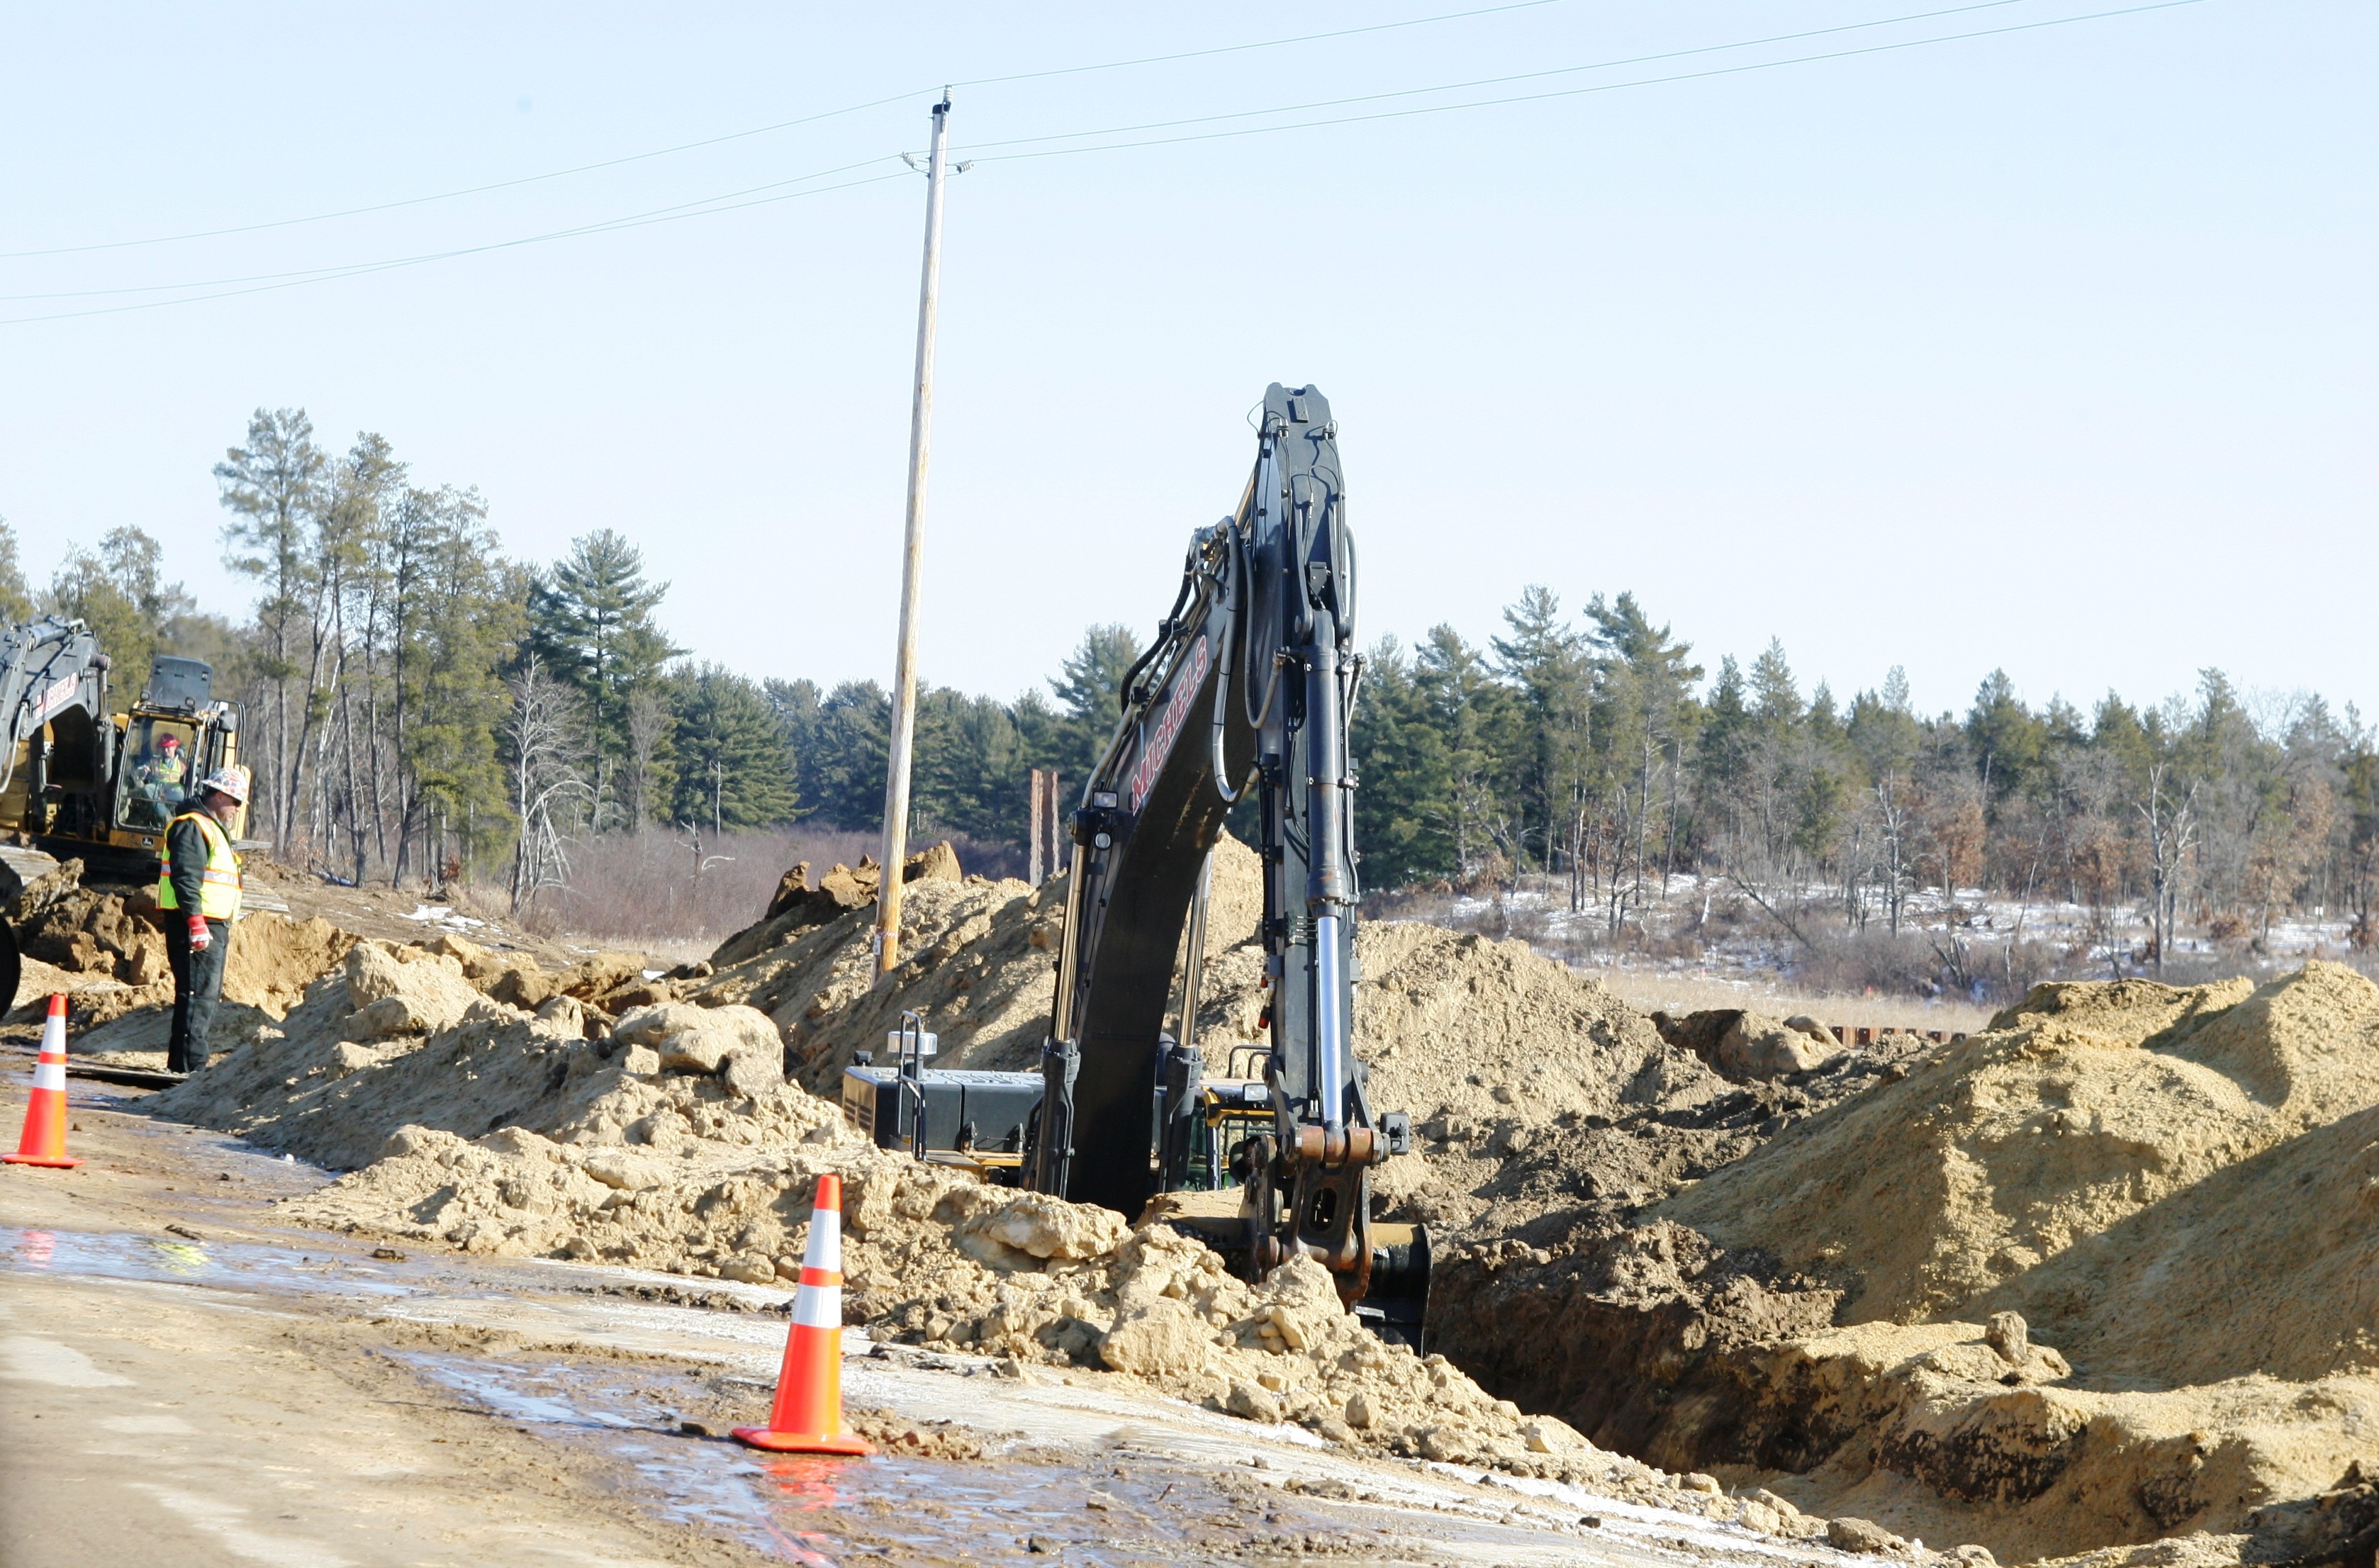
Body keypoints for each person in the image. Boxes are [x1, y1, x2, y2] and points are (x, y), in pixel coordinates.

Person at [158, 768, 247, 1075]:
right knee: (197, 995)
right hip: (197, 923)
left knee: (203, 995)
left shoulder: (209, 827)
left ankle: (186, 1066)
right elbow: (187, 876)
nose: (237, 809)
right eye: (235, 801)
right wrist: (196, 923)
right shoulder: (194, 826)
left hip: (211, 923)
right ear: (220, 795)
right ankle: (189, 1069)